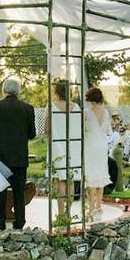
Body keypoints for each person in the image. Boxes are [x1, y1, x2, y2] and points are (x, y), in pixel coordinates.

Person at [0, 76, 37, 230]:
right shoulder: (28, 108)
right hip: (19, 156)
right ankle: (19, 222)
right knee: (19, 192)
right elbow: (32, 134)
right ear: (18, 92)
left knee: (0, 189)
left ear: (4, 90)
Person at [48, 82, 82, 219]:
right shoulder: (77, 107)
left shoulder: (51, 107)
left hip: (57, 146)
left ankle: (61, 215)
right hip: (73, 146)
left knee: (60, 181)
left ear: (56, 91)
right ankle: (68, 212)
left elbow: (46, 129)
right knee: (71, 180)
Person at [82, 87, 112, 220]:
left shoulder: (86, 112)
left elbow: (82, 130)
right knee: (100, 174)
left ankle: (91, 206)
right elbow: (108, 131)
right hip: (102, 146)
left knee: (89, 176)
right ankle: (99, 205)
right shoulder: (105, 113)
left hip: (90, 147)